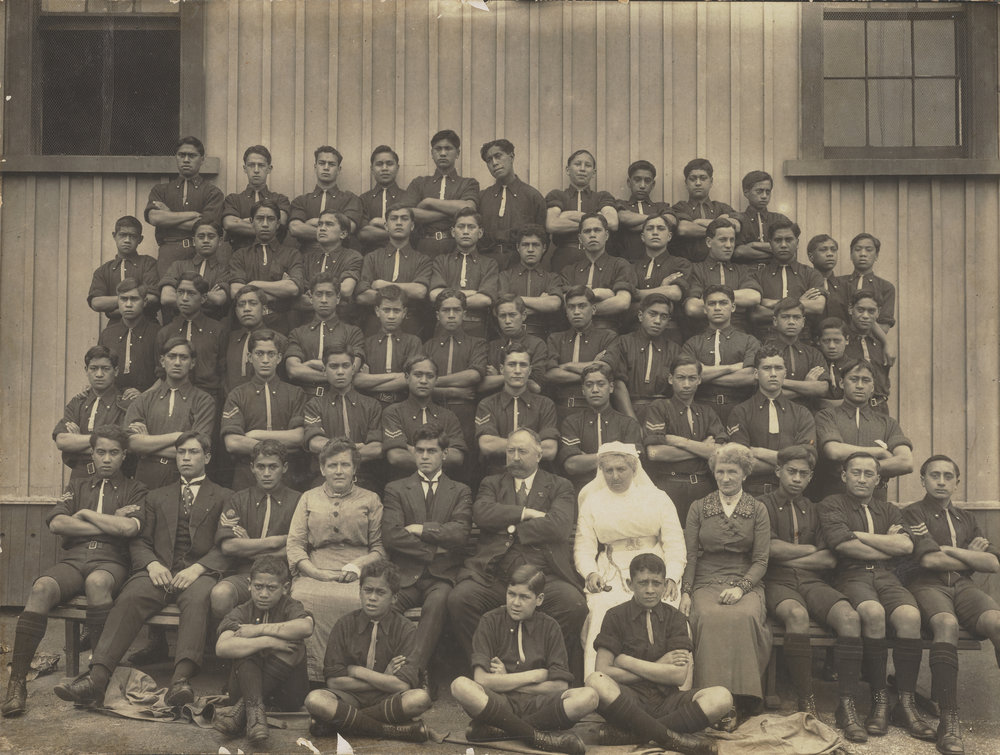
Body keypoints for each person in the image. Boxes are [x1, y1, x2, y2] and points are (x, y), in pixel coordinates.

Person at [54, 433, 233, 708]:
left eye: (194, 452)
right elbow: (139, 540)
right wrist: (152, 564)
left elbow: (226, 545)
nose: (186, 458)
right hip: (158, 570)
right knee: (131, 596)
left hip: (199, 573)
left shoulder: (225, 496)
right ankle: (97, 678)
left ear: (207, 457)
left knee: (198, 599)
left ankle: (180, 680)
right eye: (181, 452)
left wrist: (198, 569)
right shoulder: (156, 496)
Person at [2, 426, 144, 718]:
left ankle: (96, 681)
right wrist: (109, 522)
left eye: (114, 453)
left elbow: (128, 529)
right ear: (92, 453)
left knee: (97, 583)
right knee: (41, 587)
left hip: (111, 561)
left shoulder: (135, 489)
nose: (107, 459)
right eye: (101, 452)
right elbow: (57, 523)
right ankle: (16, 685)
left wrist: (86, 515)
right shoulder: (78, 485)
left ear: (124, 455)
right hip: (75, 559)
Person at [818, 452, 937, 740]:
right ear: (844, 476)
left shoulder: (889, 510)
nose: (861, 479)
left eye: (868, 474)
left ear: (878, 479)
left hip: (887, 576)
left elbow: (906, 546)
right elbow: (842, 545)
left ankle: (905, 705)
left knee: (910, 616)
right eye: (855, 472)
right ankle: (878, 701)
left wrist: (857, 534)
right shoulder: (831, 504)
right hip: (851, 576)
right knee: (873, 613)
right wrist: (885, 545)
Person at [447, 428, 587, 670]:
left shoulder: (559, 485)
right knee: (460, 599)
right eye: (510, 451)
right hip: (495, 577)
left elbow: (559, 526)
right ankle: (487, 666)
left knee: (573, 604)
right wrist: (526, 513)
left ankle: (541, 667)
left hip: (543, 578)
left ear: (539, 455)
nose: (515, 457)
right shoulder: (491, 483)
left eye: (522, 451)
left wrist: (512, 528)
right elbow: (482, 513)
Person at [758, 445, 867, 742]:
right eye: (791, 472)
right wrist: (808, 551)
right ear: (778, 471)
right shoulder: (762, 506)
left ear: (810, 477)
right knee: (796, 615)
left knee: (849, 618)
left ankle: (846, 704)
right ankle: (806, 701)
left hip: (812, 581)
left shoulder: (816, 509)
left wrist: (789, 555)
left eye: (803, 474)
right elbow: (769, 550)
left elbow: (829, 559)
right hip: (777, 581)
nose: (796, 478)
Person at [902, 455, 1000, 755]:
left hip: (962, 586)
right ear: (923, 480)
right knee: (946, 624)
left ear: (957, 482)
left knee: (997, 621)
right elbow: (930, 560)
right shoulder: (913, 513)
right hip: (926, 584)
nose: (941, 482)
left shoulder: (965, 518)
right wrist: (969, 554)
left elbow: (993, 563)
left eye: (948, 476)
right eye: (935, 475)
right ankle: (949, 719)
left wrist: (950, 550)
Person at [585, 554, 729, 755]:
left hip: (667, 701)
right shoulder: (615, 616)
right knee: (595, 681)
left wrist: (627, 661)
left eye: (656, 583)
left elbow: (678, 676)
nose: (650, 590)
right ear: (630, 584)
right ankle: (671, 738)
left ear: (665, 585)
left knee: (722, 697)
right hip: (628, 701)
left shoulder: (676, 618)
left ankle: (634, 734)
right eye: (643, 583)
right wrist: (661, 665)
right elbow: (603, 670)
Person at [450, 565, 597, 755]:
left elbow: (559, 686)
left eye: (524, 597)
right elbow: (482, 680)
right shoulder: (490, 621)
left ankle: (504, 730)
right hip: (501, 703)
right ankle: (536, 737)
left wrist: (505, 680)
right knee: (460, 686)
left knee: (589, 697)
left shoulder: (550, 627)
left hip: (539, 705)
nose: (515, 603)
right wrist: (535, 675)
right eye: (511, 594)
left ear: (539, 599)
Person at [679, 443, 771, 727]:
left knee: (744, 616)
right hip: (705, 579)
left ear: (745, 474)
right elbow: (690, 556)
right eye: (720, 472)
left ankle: (739, 701)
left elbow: (761, 561)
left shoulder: (758, 509)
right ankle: (709, 700)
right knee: (707, 616)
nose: (726, 478)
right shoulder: (698, 507)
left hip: (746, 581)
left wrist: (741, 588)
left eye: (732, 471)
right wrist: (686, 592)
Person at [574, 443, 685, 676]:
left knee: (665, 608)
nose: (615, 476)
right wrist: (590, 573)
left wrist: (672, 577)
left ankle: (664, 677)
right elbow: (584, 546)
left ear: (634, 469)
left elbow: (675, 542)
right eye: (609, 470)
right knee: (603, 607)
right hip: (611, 570)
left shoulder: (657, 498)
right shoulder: (592, 501)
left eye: (621, 469)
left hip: (654, 569)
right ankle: (600, 680)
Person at [287, 438, 386, 683]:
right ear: (322, 469)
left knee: (358, 600)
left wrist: (358, 566)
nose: (339, 471)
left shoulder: (371, 499)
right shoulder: (308, 498)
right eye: (332, 465)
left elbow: (379, 549)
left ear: (355, 468)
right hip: (315, 568)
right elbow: (295, 544)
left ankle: (348, 675)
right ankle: (312, 677)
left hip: (358, 570)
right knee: (301, 598)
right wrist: (315, 573)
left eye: (345, 465)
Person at [303, 560, 432, 744]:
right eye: (367, 590)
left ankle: (340, 724)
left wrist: (357, 671)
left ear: (394, 597)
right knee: (315, 699)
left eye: (380, 592)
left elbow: (402, 686)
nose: (372, 598)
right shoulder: (344, 624)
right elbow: (334, 681)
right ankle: (390, 730)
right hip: (350, 698)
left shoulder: (405, 629)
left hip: (387, 699)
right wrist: (384, 678)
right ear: (360, 592)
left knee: (419, 699)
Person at [382, 425, 473, 677]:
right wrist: (434, 549)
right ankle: (385, 671)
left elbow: (459, 534)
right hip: (405, 575)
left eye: (431, 451)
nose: (424, 456)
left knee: (437, 604)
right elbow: (391, 535)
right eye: (420, 450)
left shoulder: (460, 490)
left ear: (444, 454)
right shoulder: (396, 489)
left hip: (441, 577)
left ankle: (411, 673)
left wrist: (421, 529)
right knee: (385, 607)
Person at [213, 555, 313, 748]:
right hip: (243, 687)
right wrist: (267, 641)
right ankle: (255, 714)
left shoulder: (291, 606)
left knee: (295, 645)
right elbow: (222, 647)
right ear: (249, 585)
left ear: (285, 588)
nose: (264, 594)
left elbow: (306, 627)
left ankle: (242, 712)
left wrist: (257, 630)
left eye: (271, 588)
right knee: (243, 647)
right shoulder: (242, 611)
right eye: (258, 587)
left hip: (286, 695)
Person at [210, 441, 301, 622]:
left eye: (273, 467)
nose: (266, 473)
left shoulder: (299, 501)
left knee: (303, 595)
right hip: (247, 575)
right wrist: (275, 541)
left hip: (284, 578)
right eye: (261, 467)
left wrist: (248, 545)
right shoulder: (238, 500)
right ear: (252, 468)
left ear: (284, 468)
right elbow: (228, 546)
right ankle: (231, 635)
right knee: (221, 594)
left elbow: (296, 549)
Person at [814, 358, 913, 502]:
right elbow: (834, 450)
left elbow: (905, 462)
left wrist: (859, 470)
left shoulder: (887, 423)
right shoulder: (827, 416)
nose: (860, 386)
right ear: (842, 383)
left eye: (866, 380)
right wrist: (879, 452)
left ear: (872, 387)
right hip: (835, 502)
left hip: (876, 504)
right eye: (854, 379)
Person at [643, 355, 726, 526]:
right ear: (671, 379)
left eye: (692, 378)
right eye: (681, 378)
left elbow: (721, 452)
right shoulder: (659, 407)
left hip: (703, 486)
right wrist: (703, 449)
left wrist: (680, 442)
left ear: (699, 380)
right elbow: (654, 453)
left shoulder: (707, 412)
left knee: (704, 535)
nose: (686, 384)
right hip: (669, 485)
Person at [124, 337, 216, 490]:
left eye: (183, 357)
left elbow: (197, 449)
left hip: (182, 476)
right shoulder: (144, 399)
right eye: (172, 356)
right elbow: (131, 444)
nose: (177, 362)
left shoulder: (203, 400)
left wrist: (147, 447)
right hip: (146, 476)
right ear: (162, 361)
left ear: (192, 363)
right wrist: (178, 436)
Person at [221, 330, 306, 491]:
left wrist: (255, 434)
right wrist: (277, 446)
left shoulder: (295, 393)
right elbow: (232, 442)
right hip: (247, 475)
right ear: (249, 357)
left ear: (279, 358)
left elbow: (298, 437)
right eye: (259, 354)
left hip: (285, 477)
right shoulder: (237, 394)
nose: (265, 360)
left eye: (271, 354)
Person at [726, 346, 817, 497]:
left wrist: (759, 452)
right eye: (767, 368)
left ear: (785, 373)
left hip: (789, 494)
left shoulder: (802, 414)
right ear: (756, 374)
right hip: (751, 494)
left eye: (778, 368)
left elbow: (808, 459)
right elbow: (740, 462)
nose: (773, 374)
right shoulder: (741, 412)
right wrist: (790, 464)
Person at [302, 345, 383, 489]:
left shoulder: (371, 405)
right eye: (334, 366)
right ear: (324, 370)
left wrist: (332, 450)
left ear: (353, 369)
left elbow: (376, 448)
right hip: (325, 479)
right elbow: (315, 443)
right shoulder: (315, 405)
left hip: (363, 479)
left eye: (345, 366)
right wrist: (353, 447)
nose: (340, 372)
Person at [424, 289, 487, 475]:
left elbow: (474, 375)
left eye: (456, 310)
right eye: (445, 310)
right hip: (434, 409)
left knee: (464, 464)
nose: (451, 315)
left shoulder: (477, 344)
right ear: (437, 315)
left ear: (464, 314)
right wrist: (453, 391)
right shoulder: (428, 346)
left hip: (464, 411)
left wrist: (435, 382)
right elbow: (420, 384)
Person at [145, 136, 225, 275]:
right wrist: (191, 215)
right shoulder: (161, 190)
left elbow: (206, 226)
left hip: (199, 253)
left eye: (192, 156)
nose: (186, 160)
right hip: (169, 253)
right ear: (176, 157)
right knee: (167, 287)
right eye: (182, 155)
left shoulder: (212, 192)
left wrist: (168, 215)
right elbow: (154, 218)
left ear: (202, 159)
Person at [681, 284, 760, 423]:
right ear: (705, 309)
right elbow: (687, 376)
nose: (717, 308)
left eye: (723, 303)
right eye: (712, 304)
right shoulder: (693, 343)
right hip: (701, 409)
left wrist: (703, 375)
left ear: (733, 307)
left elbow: (750, 377)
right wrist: (731, 368)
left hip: (740, 408)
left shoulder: (749, 341)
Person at [475, 344, 559, 476]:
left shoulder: (545, 405)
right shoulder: (487, 404)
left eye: (523, 365)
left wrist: (504, 445)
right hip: (497, 477)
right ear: (502, 369)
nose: (518, 370)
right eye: (512, 365)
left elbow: (550, 449)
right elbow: (487, 445)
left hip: (535, 477)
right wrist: (531, 448)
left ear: (530, 370)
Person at [558, 363, 643, 491]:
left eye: (601, 384)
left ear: (611, 387)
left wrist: (587, 459)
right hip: (583, 489)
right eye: (589, 385)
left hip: (620, 490)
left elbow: (633, 462)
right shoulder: (572, 422)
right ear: (583, 390)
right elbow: (572, 465)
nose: (595, 390)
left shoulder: (628, 423)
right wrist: (616, 453)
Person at [381, 355, 468, 481]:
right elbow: (396, 456)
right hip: (403, 484)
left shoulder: (448, 416)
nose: (423, 381)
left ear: (436, 380)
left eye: (430, 376)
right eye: (418, 375)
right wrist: (438, 452)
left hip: (440, 485)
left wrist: (410, 449)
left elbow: (457, 457)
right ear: (407, 378)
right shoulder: (394, 412)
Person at [53, 346, 133, 481]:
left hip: (113, 477)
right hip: (79, 477)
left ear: (116, 371)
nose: (99, 374)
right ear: (86, 370)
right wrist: (104, 443)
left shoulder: (125, 404)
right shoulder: (78, 402)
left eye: (105, 369)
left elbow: (125, 445)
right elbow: (62, 441)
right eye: (93, 368)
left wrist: (78, 441)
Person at [229, 199, 306, 334]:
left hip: (281, 324)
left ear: (278, 223)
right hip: (247, 325)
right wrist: (281, 293)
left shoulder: (291, 254)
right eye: (260, 219)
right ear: (251, 222)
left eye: (270, 219)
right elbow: (236, 292)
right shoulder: (240, 255)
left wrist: (253, 284)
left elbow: (293, 288)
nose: (265, 224)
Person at [601, 293, 682, 423]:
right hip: (627, 413)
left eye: (664, 317)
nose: (657, 321)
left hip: (663, 414)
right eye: (652, 314)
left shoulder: (674, 350)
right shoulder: (623, 343)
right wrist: (632, 422)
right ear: (640, 316)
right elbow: (618, 384)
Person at [355, 205, 433, 337]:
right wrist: (405, 293)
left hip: (409, 325)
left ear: (412, 226)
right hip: (376, 325)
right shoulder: (372, 257)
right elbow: (362, 297)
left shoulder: (422, 260)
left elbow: (419, 292)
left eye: (404, 219)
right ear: (386, 226)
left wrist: (383, 285)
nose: (399, 223)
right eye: (394, 218)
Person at [545, 285, 619, 423]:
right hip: (561, 410)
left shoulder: (608, 337)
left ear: (593, 309)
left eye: (582, 306)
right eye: (571, 307)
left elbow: (606, 368)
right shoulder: (555, 339)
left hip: (594, 410)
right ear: (566, 312)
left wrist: (566, 366)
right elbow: (550, 374)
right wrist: (592, 371)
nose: (576, 312)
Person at [285, 272, 365, 393]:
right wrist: (338, 375)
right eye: (319, 294)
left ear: (338, 298)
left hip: (339, 396)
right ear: (310, 297)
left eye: (329, 294)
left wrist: (310, 364)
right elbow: (293, 370)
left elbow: (353, 368)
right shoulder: (297, 333)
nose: (323, 300)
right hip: (305, 398)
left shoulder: (353, 332)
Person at [406, 129, 480, 259]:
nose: (443, 153)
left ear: (457, 153)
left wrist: (428, 202)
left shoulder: (468, 183)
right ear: (432, 153)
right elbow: (409, 214)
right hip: (424, 246)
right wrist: (452, 212)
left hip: (456, 246)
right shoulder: (419, 183)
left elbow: (469, 208)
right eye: (438, 149)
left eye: (448, 148)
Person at [428, 208, 499, 338]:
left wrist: (449, 297)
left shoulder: (489, 264)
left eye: (471, 227)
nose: (466, 231)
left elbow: (485, 299)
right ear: (453, 232)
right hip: (444, 327)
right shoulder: (441, 261)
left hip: (475, 327)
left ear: (480, 233)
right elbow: (434, 295)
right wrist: (472, 293)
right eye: (461, 227)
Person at [750, 221, 826, 341]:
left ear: (797, 243)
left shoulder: (811, 274)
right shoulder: (758, 276)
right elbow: (756, 314)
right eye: (778, 240)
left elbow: (817, 306)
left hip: (803, 340)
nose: (783, 245)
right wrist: (800, 303)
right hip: (767, 340)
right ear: (770, 243)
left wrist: (772, 303)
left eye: (789, 240)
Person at [559, 213, 636, 331]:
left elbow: (622, 302)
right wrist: (601, 294)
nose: (592, 235)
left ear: (606, 235)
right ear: (580, 238)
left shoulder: (620, 265)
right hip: (575, 331)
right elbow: (565, 303)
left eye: (597, 230)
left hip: (608, 331)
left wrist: (582, 309)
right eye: (587, 231)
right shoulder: (569, 271)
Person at [155, 271, 225, 401]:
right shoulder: (165, 333)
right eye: (180, 292)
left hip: (208, 398)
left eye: (191, 293)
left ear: (203, 298)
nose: (184, 298)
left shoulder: (217, 330)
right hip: (173, 398)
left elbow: (223, 371)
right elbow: (161, 373)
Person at [685, 218, 762, 334]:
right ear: (709, 242)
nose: (728, 245)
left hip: (739, 335)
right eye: (723, 240)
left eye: (732, 240)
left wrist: (708, 301)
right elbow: (692, 308)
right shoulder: (696, 269)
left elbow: (754, 297)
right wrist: (737, 301)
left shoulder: (741, 270)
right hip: (705, 335)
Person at [544, 149, 618, 271]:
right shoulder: (557, 195)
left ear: (593, 172)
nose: (582, 169)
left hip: (596, 256)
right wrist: (596, 219)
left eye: (587, 165)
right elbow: (551, 224)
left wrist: (566, 216)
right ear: (568, 170)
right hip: (565, 256)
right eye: (577, 164)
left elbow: (613, 223)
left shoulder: (602, 197)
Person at [478, 139, 547, 268]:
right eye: (489, 160)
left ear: (511, 156)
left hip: (519, 264)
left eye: (498, 156)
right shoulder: (483, 197)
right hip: (487, 264)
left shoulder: (532, 196)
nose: (494, 163)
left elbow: (543, 237)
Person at [353, 285, 423, 407]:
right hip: (371, 405)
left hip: (403, 405)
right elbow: (358, 380)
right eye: (386, 310)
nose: (391, 316)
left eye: (396, 311)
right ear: (377, 311)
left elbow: (410, 379)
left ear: (404, 312)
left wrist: (370, 383)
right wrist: (398, 376)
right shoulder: (367, 343)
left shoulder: (413, 342)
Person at [288, 146, 363, 257]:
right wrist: (333, 230)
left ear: (338, 169)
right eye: (322, 163)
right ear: (315, 167)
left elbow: (349, 227)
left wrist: (310, 222)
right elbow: (295, 228)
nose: (326, 168)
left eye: (331, 164)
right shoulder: (301, 201)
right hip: (307, 257)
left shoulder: (350, 199)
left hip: (339, 257)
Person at [497, 224, 567, 337]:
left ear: (544, 248)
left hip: (542, 336)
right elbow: (502, 305)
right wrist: (541, 303)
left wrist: (515, 300)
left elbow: (554, 304)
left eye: (535, 245)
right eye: (525, 245)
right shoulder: (505, 276)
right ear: (518, 247)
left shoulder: (552, 278)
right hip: (510, 336)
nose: (530, 250)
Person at [631, 213, 691, 344]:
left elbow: (674, 293)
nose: (655, 232)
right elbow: (628, 303)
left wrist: (638, 293)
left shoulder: (680, 263)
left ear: (669, 236)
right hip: (635, 331)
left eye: (660, 228)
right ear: (643, 237)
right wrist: (662, 289)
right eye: (650, 228)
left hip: (669, 333)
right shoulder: (632, 267)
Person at [669, 158, 740, 263]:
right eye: (693, 179)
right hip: (688, 266)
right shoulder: (680, 207)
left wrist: (698, 222)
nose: (698, 183)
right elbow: (683, 229)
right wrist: (720, 226)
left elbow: (736, 226)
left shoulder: (722, 208)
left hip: (720, 266)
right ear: (686, 183)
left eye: (703, 178)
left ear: (711, 182)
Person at [88, 216, 159, 320]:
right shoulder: (103, 270)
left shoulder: (148, 263)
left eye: (132, 236)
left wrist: (115, 309)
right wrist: (134, 300)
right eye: (122, 235)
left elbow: (153, 297)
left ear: (140, 239)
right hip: (115, 324)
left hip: (146, 321)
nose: (127, 240)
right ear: (114, 236)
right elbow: (96, 303)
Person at [222, 145, 291, 250]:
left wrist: (241, 222)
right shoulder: (233, 200)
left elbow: (281, 222)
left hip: (273, 255)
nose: (256, 170)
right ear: (245, 168)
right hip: (241, 255)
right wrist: (267, 226)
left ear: (269, 169)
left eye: (261, 165)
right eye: (251, 165)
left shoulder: (280, 200)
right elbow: (229, 224)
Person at [159, 219, 231, 321]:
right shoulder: (178, 266)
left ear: (220, 241)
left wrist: (182, 295)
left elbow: (219, 299)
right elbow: (166, 297)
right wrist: (206, 296)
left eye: (211, 237)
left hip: (210, 324)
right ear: (193, 241)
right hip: (180, 322)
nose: (206, 240)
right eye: (201, 237)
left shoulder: (223, 270)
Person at [763, 297, 829, 408]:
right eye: (785, 317)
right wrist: (807, 387)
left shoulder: (813, 354)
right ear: (775, 321)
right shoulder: (765, 352)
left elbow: (822, 389)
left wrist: (781, 382)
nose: (791, 322)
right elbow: (766, 393)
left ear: (803, 322)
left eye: (796, 317)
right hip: (772, 411)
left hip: (806, 413)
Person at [99, 279, 161, 393]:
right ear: (118, 301)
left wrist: (144, 395)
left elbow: (165, 376)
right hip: (114, 399)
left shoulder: (158, 333)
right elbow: (100, 371)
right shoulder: (107, 334)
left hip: (149, 399)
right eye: (123, 299)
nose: (128, 304)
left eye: (134, 299)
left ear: (145, 302)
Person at [482, 293, 551, 395]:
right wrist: (520, 377)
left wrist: (500, 376)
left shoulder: (537, 344)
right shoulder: (492, 346)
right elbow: (482, 386)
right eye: (502, 316)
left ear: (523, 316)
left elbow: (536, 387)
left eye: (512, 315)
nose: (507, 321)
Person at [611, 160, 673, 263]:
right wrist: (657, 220)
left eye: (647, 181)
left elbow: (671, 220)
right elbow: (623, 218)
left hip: (657, 265)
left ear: (653, 184)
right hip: (627, 264)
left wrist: (633, 225)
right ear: (629, 182)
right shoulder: (621, 204)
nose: (642, 185)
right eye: (637, 180)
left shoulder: (661, 206)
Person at [299, 212, 363, 310]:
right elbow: (298, 292)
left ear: (343, 234)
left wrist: (313, 294)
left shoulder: (353, 257)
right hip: (307, 315)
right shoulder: (306, 258)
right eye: (319, 224)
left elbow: (346, 289)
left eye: (329, 224)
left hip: (340, 315)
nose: (322, 228)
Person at [843, 290, 894, 410]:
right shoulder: (841, 342)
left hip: (879, 409)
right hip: (850, 409)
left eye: (871, 311)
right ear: (850, 309)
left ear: (878, 313)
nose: (865, 316)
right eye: (860, 310)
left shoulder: (883, 345)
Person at [358, 145, 413, 254]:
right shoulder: (364, 199)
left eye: (389, 164)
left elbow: (413, 231)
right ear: (372, 169)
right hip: (371, 254)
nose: (384, 168)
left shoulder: (407, 197)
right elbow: (364, 233)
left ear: (397, 167)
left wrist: (375, 222)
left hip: (403, 255)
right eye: (379, 164)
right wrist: (399, 232)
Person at [837, 233, 895, 333]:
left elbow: (884, 326)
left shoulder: (885, 287)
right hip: (840, 339)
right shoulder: (838, 283)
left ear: (876, 255)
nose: (863, 254)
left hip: (871, 340)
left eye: (868, 250)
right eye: (858, 249)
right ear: (851, 255)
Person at [733, 170, 790, 263]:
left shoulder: (779, 219)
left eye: (768, 192)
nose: (764, 196)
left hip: (774, 270)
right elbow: (738, 252)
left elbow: (789, 248)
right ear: (746, 192)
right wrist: (775, 252)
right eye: (759, 191)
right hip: (746, 271)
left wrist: (753, 245)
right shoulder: (739, 219)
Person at [223, 285, 267, 397]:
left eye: (253, 303)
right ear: (236, 311)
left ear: (264, 309)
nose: (247, 309)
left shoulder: (276, 339)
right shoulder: (229, 339)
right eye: (241, 304)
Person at [805, 234, 848, 326]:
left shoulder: (846, 287)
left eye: (833, 250)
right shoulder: (804, 284)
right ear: (811, 257)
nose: (830, 254)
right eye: (823, 250)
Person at [816, 316, 849, 410]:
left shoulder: (855, 366)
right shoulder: (813, 365)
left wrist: (824, 403)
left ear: (847, 340)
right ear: (818, 341)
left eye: (837, 341)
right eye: (826, 341)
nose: (831, 346)